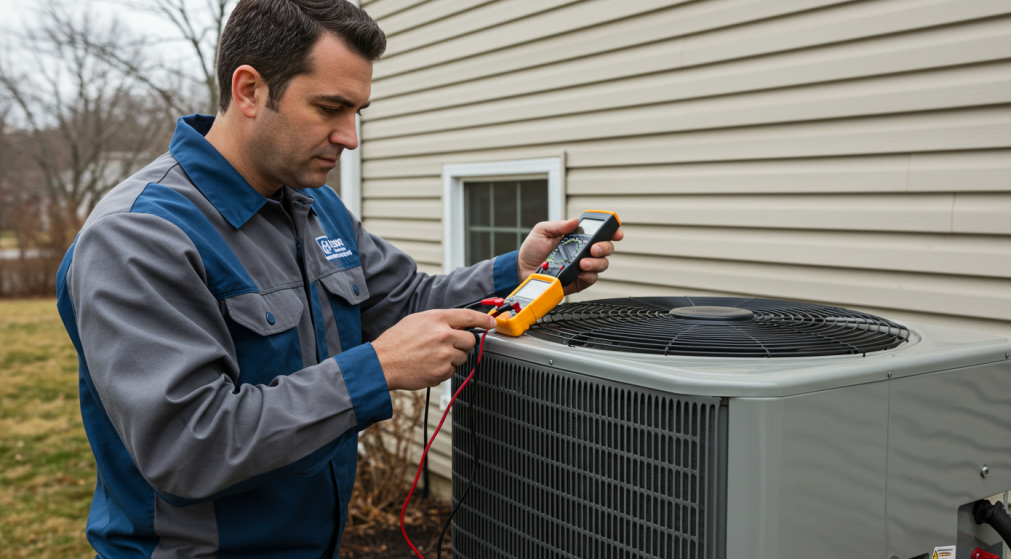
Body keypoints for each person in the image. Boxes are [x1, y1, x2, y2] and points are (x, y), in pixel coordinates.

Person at [55, 0, 622, 557]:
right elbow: (189, 446)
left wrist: (519, 272)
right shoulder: (138, 236)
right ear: (249, 90)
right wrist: (374, 370)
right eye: (330, 108)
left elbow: (408, 300)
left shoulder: (312, 205)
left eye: (358, 112)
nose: (350, 137)